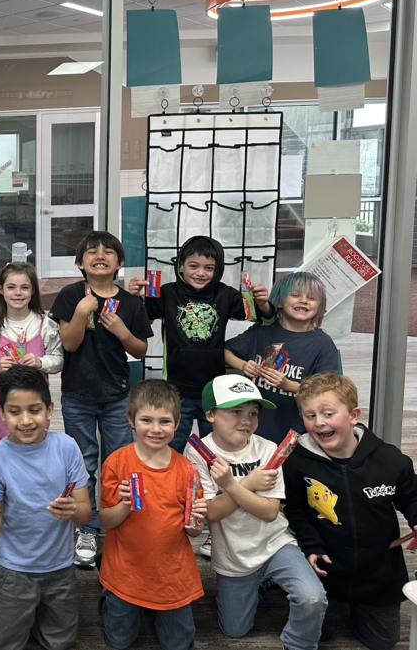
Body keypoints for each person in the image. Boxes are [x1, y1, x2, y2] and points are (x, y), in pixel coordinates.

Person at [185, 375, 326, 650]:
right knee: (235, 631)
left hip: (275, 544)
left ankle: (299, 644)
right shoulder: (198, 451)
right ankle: (260, 584)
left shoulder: (267, 448)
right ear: (211, 414)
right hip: (232, 555)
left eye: (253, 413)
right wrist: (247, 483)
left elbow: (270, 513)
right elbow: (211, 513)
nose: (246, 420)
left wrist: (229, 486)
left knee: (313, 598)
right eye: (235, 411)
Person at [283, 373, 417, 650]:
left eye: (328, 413)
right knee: (322, 636)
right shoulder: (296, 463)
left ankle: (360, 608)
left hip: (380, 574)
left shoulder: (390, 459)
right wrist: (311, 545)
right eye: (310, 416)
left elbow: (413, 497)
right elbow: (295, 510)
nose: (319, 422)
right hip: (328, 571)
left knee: (384, 642)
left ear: (354, 415)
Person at [0, 366, 91, 650]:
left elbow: (87, 514)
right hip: (15, 569)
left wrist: (73, 510)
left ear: (50, 410)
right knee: (4, 645)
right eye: (14, 411)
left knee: (61, 644)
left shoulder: (67, 447)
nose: (25, 421)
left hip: (59, 567)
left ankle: (26, 611)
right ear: (1, 412)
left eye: (34, 410)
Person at [50, 230, 152, 567]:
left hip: (117, 395)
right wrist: (81, 312)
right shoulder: (69, 295)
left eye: (109, 251)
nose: (100, 255)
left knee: (118, 463)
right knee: (85, 463)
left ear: (119, 263)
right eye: (92, 251)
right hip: (77, 394)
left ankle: (118, 524)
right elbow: (70, 344)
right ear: (80, 263)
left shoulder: (132, 303)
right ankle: (89, 527)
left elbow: (141, 348)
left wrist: (122, 331)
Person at [129, 235, 274, 453]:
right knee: (172, 447)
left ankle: (215, 486)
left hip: (215, 391)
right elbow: (140, 321)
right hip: (177, 389)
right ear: (181, 266)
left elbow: (263, 318)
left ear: (219, 270)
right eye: (193, 266)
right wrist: (134, 299)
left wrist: (263, 304)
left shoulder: (225, 295)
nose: (200, 273)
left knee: (215, 449)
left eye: (209, 268)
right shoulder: (167, 293)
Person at [98, 379, 206, 650]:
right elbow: (106, 521)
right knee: (119, 642)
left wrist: (197, 518)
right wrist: (124, 504)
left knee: (179, 645)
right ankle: (109, 595)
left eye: (165, 422)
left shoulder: (188, 471)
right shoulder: (117, 463)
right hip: (125, 571)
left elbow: (193, 532)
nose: (156, 430)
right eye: (146, 420)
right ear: (131, 419)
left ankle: (146, 605)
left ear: (178, 423)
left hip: (172, 574)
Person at [225, 271, 340, 443]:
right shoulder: (260, 331)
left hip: (295, 437)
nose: (303, 301)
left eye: (312, 298)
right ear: (279, 300)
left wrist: (289, 385)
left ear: (321, 307)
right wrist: (242, 365)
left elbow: (328, 393)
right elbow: (223, 351)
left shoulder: (323, 345)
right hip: (251, 433)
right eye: (295, 295)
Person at [0, 262, 63, 446]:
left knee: (37, 446)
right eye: (11, 287)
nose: (18, 293)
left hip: (36, 402)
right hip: (5, 403)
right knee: (4, 447)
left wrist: (40, 362)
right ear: (1, 289)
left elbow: (58, 360)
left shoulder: (45, 325)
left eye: (24, 288)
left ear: (33, 291)